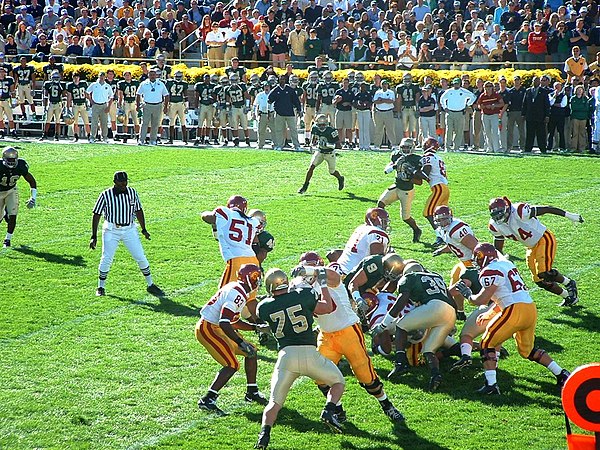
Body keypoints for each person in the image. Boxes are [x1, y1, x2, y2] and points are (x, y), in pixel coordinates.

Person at [292, 252, 405, 424]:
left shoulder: (330, 277)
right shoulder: (301, 287)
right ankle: (336, 409)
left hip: (348, 332)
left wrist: (309, 270)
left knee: (366, 377)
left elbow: (330, 274)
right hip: (326, 335)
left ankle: (387, 405)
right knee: (320, 377)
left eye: (311, 267)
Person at [458, 243, 570, 395]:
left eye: (477, 258)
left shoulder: (489, 271)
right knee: (527, 351)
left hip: (515, 310)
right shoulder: (505, 264)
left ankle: (491, 385)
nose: (476, 262)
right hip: (529, 308)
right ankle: (561, 373)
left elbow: (482, 300)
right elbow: (505, 295)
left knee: (486, 344)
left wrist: (468, 295)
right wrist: (489, 314)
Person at [254, 268, 346, 449]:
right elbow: (327, 307)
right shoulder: (303, 294)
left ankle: (263, 436)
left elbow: (273, 318)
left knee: (274, 403)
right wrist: (323, 283)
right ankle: (329, 411)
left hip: (286, 357)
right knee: (338, 383)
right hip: (310, 354)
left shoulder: (263, 307)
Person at [373, 260, 457, 391]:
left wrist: (384, 324)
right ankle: (436, 375)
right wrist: (453, 320)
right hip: (450, 313)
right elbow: (452, 301)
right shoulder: (436, 276)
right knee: (428, 350)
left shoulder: (409, 278)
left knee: (401, 326)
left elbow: (401, 301)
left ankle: (400, 363)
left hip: (433, 308)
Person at [196, 263, 268, 415]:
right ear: (251, 279)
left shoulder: (238, 289)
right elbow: (225, 322)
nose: (259, 282)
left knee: (252, 351)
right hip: (209, 328)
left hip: (218, 327)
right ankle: (208, 399)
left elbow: (232, 321)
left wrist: (255, 327)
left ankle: (252, 392)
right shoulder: (237, 293)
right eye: (257, 278)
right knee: (231, 364)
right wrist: (240, 342)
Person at [488, 197, 583, 306]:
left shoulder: (519, 211)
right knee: (540, 281)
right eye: (496, 215)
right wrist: (499, 260)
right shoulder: (494, 226)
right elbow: (498, 246)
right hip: (530, 246)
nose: (499, 218)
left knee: (543, 272)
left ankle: (569, 283)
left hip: (543, 238)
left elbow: (547, 209)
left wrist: (570, 216)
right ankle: (568, 297)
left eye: (501, 214)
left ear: (507, 208)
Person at [90, 171, 164, 297]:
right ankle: (100, 287)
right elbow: (96, 214)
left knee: (140, 256)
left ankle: (150, 284)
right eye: (121, 182)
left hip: (129, 229)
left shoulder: (132, 192)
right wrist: (94, 236)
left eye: (125, 181)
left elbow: (138, 210)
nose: (124, 184)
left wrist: (144, 229)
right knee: (106, 258)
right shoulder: (105, 195)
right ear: (115, 182)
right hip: (111, 229)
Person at [201, 195, 261, 316]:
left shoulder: (224, 212)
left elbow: (207, 217)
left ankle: (224, 323)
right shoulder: (252, 221)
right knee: (251, 299)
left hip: (236, 261)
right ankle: (261, 325)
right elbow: (255, 240)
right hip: (253, 260)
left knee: (223, 295)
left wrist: (204, 213)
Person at [431, 205, 480, 321]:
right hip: (463, 263)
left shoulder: (456, 229)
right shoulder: (444, 230)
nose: (442, 222)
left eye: (445, 219)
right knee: (455, 277)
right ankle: (460, 312)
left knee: (454, 290)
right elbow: (454, 244)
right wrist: (442, 250)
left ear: (451, 216)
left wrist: (481, 266)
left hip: (473, 264)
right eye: (439, 220)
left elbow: (476, 247)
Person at [378, 138, 422, 243]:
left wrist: (409, 175)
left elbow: (420, 182)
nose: (405, 150)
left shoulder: (417, 159)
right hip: (396, 186)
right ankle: (382, 228)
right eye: (403, 147)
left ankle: (416, 230)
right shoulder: (396, 155)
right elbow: (388, 167)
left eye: (408, 147)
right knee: (380, 204)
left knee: (405, 217)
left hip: (407, 190)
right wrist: (394, 165)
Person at [333, 207, 390, 276]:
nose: (386, 225)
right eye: (384, 221)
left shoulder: (361, 228)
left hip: (338, 269)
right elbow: (376, 259)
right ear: (374, 219)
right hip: (351, 274)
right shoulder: (377, 232)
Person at [298, 114, 345, 194]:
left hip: (330, 153)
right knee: (311, 167)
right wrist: (312, 143)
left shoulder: (331, 130)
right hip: (320, 151)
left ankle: (340, 178)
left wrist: (327, 144)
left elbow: (338, 145)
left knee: (332, 172)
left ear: (326, 124)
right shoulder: (315, 128)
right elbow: (314, 138)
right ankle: (305, 186)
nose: (321, 127)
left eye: (323, 125)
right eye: (320, 125)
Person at [0, 147, 37, 248]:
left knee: (13, 214)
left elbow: (32, 181)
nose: (12, 162)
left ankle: (7, 239)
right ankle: (3, 214)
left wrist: (33, 198)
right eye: (9, 160)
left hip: (11, 190)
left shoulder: (20, 165)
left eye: (13, 160)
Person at [420, 137, 449, 247]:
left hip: (438, 188)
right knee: (443, 214)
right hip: (445, 188)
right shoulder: (438, 157)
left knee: (428, 212)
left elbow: (426, 172)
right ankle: (449, 237)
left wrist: (414, 172)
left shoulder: (428, 157)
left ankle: (440, 236)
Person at [440, 78, 477, 152]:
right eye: (454, 83)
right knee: (449, 130)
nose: (456, 85)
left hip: (460, 113)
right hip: (450, 113)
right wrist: (445, 107)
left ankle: (456, 147)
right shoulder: (449, 91)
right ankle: (447, 147)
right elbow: (442, 99)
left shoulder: (464, 91)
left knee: (459, 131)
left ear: (460, 84)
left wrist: (467, 105)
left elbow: (473, 97)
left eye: (457, 83)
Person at [268, 75, 302, 151]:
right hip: (279, 113)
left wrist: (299, 110)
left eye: (283, 79)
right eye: (281, 79)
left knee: (293, 130)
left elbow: (296, 101)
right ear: (278, 80)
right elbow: (270, 99)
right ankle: (280, 145)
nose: (282, 81)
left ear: (285, 80)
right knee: (279, 130)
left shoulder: (290, 90)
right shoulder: (275, 90)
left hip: (290, 113)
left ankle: (297, 146)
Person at [136, 69, 169, 146]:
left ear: (156, 75)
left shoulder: (160, 84)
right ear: (148, 75)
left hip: (158, 105)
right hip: (147, 105)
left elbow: (166, 95)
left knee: (155, 124)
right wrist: (137, 105)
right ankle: (141, 140)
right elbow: (138, 94)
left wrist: (165, 107)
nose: (152, 76)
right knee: (144, 123)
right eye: (151, 75)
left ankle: (153, 140)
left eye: (154, 75)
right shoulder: (144, 84)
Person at [521, 76, 550, 153]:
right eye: (534, 81)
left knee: (541, 134)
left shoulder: (543, 91)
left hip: (540, 116)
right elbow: (525, 103)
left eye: (537, 81)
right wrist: (523, 114)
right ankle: (528, 149)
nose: (536, 82)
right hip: (530, 116)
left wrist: (547, 115)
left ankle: (543, 149)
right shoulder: (528, 91)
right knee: (530, 133)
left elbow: (547, 104)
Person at [476, 81, 504, 153]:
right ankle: (490, 148)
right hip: (485, 115)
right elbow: (478, 105)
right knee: (487, 132)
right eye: (487, 87)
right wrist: (482, 106)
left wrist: (494, 106)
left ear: (492, 87)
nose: (488, 88)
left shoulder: (496, 95)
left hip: (494, 114)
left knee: (495, 132)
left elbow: (502, 103)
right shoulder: (482, 95)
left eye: (490, 86)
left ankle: (496, 148)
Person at [86, 71, 114, 143]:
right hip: (95, 105)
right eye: (100, 76)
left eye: (103, 76)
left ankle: (104, 137)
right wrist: (91, 101)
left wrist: (108, 107)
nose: (102, 77)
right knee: (94, 122)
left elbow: (111, 97)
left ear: (105, 77)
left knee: (104, 123)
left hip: (104, 105)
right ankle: (93, 137)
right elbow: (87, 92)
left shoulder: (107, 86)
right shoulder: (94, 84)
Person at [225, 72, 251, 147]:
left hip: (242, 107)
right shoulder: (227, 88)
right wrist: (228, 110)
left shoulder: (242, 86)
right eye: (232, 80)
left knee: (245, 125)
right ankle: (236, 139)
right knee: (234, 125)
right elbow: (227, 100)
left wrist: (247, 106)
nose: (233, 82)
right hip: (234, 108)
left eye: (235, 80)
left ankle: (247, 139)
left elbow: (247, 97)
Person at [40, 70, 65, 141]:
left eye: (57, 77)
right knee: (48, 120)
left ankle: (56, 135)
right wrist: (44, 106)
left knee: (57, 121)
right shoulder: (48, 84)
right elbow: (45, 95)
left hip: (58, 104)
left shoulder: (61, 84)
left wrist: (64, 106)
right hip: (50, 104)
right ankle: (44, 134)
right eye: (54, 77)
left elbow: (64, 96)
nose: (56, 79)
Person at [117, 70, 140, 143]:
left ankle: (137, 136)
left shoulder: (136, 83)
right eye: (126, 75)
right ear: (123, 76)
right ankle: (125, 136)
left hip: (134, 102)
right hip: (126, 103)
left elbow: (138, 93)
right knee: (125, 120)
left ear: (131, 76)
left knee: (136, 121)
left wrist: (139, 103)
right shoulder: (121, 83)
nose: (127, 76)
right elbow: (120, 95)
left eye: (128, 75)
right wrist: (120, 103)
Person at [372, 79, 396, 149]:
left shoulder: (391, 92)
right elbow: (375, 101)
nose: (384, 85)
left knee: (390, 129)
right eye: (383, 84)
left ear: (387, 85)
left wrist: (382, 100)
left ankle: (393, 144)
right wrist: (385, 100)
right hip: (379, 112)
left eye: (385, 84)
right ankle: (377, 145)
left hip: (388, 112)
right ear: (381, 85)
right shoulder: (378, 92)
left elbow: (391, 101)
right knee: (378, 129)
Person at [166, 70, 189, 144]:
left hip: (180, 103)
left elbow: (185, 95)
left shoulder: (184, 84)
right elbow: (167, 94)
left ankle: (185, 139)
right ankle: (171, 139)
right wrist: (166, 105)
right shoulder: (169, 82)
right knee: (171, 122)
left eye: (179, 76)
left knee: (183, 122)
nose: (178, 78)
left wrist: (186, 106)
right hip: (172, 104)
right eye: (177, 76)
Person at [66, 72, 90, 142]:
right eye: (74, 77)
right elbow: (69, 97)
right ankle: (76, 136)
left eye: (77, 77)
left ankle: (89, 136)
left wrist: (90, 101)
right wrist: (68, 107)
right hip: (75, 105)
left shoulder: (83, 84)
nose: (76, 79)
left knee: (86, 122)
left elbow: (87, 94)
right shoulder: (70, 85)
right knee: (75, 122)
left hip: (83, 105)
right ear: (72, 78)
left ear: (79, 78)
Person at [547, 82, 568, 152]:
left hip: (560, 116)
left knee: (561, 132)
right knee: (551, 132)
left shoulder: (564, 96)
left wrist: (554, 104)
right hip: (552, 116)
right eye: (556, 87)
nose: (557, 88)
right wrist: (554, 96)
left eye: (558, 87)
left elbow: (563, 105)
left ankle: (562, 147)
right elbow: (550, 103)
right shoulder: (550, 95)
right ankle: (549, 147)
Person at [253, 81, 275, 149]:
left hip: (271, 113)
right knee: (261, 130)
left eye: (268, 86)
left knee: (274, 130)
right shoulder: (260, 95)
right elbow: (255, 105)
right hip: (262, 114)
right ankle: (260, 144)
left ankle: (275, 144)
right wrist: (254, 113)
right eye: (265, 86)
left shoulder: (273, 94)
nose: (266, 87)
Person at [352, 80, 373, 151]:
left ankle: (367, 145)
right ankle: (361, 145)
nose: (362, 88)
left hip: (366, 111)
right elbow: (354, 103)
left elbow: (370, 103)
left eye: (363, 86)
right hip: (359, 111)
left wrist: (365, 104)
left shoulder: (368, 94)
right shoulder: (357, 94)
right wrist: (359, 104)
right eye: (361, 86)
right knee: (361, 129)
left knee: (366, 128)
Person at [0, 67, 16, 139]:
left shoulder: (9, 79)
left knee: (10, 117)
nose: (1, 73)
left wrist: (14, 100)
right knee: (0, 118)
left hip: (7, 100)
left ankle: (13, 131)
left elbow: (12, 91)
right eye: (0, 72)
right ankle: (1, 132)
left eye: (3, 72)